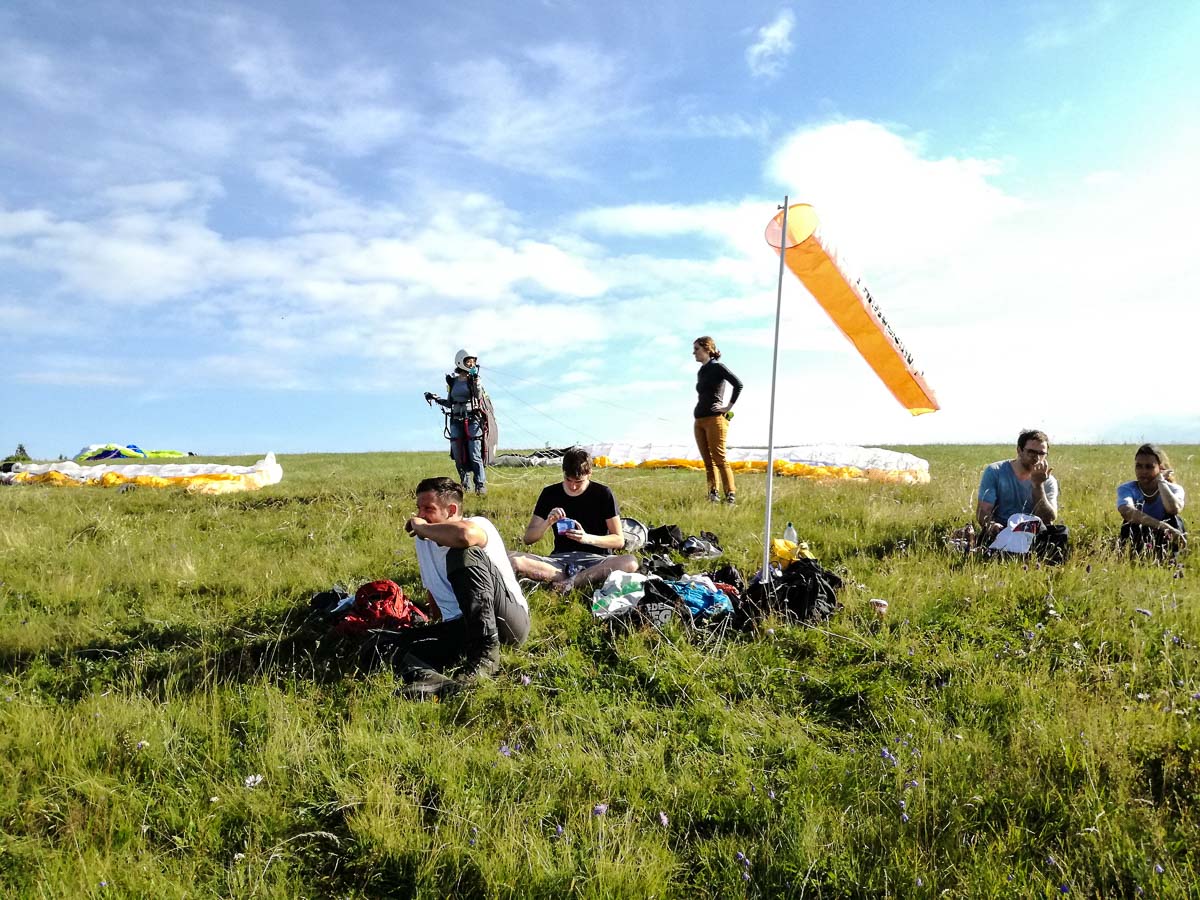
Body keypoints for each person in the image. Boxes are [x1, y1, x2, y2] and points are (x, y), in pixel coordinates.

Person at [396, 476, 529, 698]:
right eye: (418, 509)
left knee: (463, 554)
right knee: (387, 644)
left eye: (428, 509)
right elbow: (433, 591)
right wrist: (436, 627)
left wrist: (422, 528)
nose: (419, 516)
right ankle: (438, 684)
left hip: (506, 623)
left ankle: (486, 657)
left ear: (451, 510)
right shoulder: (424, 541)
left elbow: (464, 536)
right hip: (462, 626)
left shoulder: (478, 524)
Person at [508, 447, 638, 594]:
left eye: (578, 481)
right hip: (558, 562)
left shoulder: (603, 494)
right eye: (568, 480)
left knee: (630, 562)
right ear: (563, 472)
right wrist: (547, 522)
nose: (573, 486)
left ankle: (571, 582)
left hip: (597, 561)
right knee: (511, 558)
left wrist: (587, 539)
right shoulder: (550, 493)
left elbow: (618, 540)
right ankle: (573, 579)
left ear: (589, 473)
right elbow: (528, 539)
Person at [424, 350, 496, 495]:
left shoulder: (475, 380)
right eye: (469, 361)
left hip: (473, 420)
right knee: (458, 455)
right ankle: (465, 486)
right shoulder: (453, 381)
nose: (472, 364)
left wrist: (476, 381)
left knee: (474, 454)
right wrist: (435, 398)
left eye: (473, 361)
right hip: (456, 420)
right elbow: (450, 402)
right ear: (460, 362)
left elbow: (478, 395)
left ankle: (480, 486)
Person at [976, 429, 1060, 544]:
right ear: (1019, 450)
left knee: (1060, 532)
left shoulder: (1048, 481)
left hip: (1032, 533)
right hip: (1001, 531)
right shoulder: (996, 472)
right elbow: (983, 511)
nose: (1036, 458)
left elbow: (1048, 519)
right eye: (1031, 452)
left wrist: (1038, 486)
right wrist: (991, 525)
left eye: (1041, 454)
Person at [692, 336, 743, 504]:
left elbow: (738, 384)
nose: (694, 353)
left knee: (719, 459)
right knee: (708, 462)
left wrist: (727, 407)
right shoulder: (701, 371)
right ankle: (713, 494)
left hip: (714, 420)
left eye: (697, 349)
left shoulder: (718, 367)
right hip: (699, 420)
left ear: (707, 349)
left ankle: (730, 495)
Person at [1117, 443, 1186, 555]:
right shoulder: (1128, 488)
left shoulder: (1174, 489)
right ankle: (1132, 556)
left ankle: (1171, 557)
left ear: (1160, 468)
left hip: (1166, 537)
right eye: (1139, 466)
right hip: (1139, 536)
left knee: (1174, 519)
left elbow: (1173, 509)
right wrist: (1161, 526)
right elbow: (1127, 511)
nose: (1143, 471)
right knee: (1130, 523)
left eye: (1149, 467)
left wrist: (1161, 482)